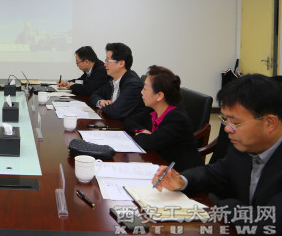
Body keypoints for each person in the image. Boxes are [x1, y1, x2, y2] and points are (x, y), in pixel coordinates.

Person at [153, 74, 282, 229]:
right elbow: (213, 173)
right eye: (225, 120)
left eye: (235, 123)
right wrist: (181, 180)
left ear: (269, 123)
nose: (227, 129)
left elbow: (268, 223)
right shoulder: (244, 147)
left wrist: (224, 205)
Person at [123, 66, 203, 171]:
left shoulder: (177, 119)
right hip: (160, 164)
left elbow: (149, 142)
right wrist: (142, 131)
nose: (141, 92)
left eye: (145, 88)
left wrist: (141, 136)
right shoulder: (154, 109)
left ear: (159, 96)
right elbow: (128, 120)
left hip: (181, 174)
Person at [90, 42, 144, 120]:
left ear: (121, 64)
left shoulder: (133, 85)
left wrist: (104, 106)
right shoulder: (112, 80)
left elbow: (115, 112)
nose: (105, 64)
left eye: (108, 61)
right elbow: (95, 94)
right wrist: (101, 102)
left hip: (128, 126)